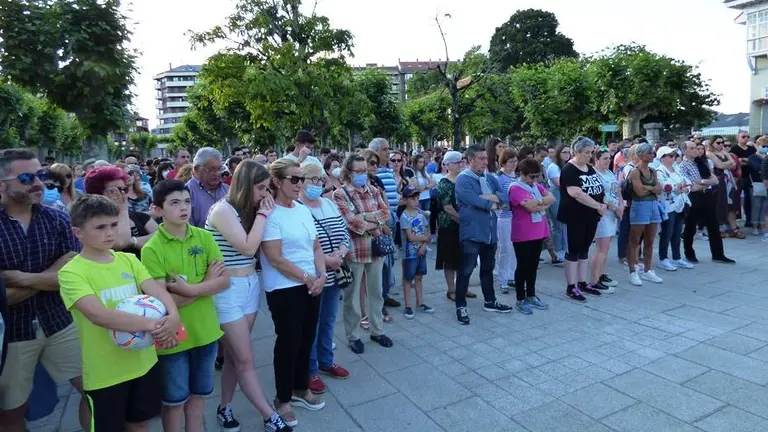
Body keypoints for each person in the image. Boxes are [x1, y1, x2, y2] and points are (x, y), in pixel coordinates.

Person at [57, 195, 181, 431]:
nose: (110, 232)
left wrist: (173, 316)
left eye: (114, 225)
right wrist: (155, 326)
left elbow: (157, 291)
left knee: (140, 424)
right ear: (78, 232)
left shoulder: (128, 260)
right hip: (106, 373)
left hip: (143, 363)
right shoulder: (71, 272)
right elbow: (99, 315)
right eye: (100, 227)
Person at [0, 149, 87, 432]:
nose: (38, 183)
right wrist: (51, 274)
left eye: (41, 175)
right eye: (26, 177)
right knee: (11, 413)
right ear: (2, 184)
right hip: (12, 334)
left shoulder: (57, 219)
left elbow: (72, 276)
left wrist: (20, 279)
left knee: (96, 389)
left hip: (60, 322)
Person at [139, 180, 233, 432]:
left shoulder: (204, 236)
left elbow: (224, 281)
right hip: (173, 338)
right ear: (157, 209)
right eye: (174, 203)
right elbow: (163, 304)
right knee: (173, 402)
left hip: (206, 332)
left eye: (187, 201)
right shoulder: (152, 249)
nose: (184, 207)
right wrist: (207, 283)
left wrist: (188, 289)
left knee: (199, 396)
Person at [204, 160, 288, 431]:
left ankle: (224, 407)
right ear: (245, 184)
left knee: (233, 356)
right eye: (261, 188)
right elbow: (249, 247)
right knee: (245, 359)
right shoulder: (222, 210)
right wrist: (263, 216)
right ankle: (269, 415)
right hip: (227, 291)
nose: (265, 194)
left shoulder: (249, 210)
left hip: (250, 285)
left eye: (267, 188)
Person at [261, 159, 327, 427]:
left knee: (306, 338)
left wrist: (321, 276)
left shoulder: (301, 209)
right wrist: (307, 277)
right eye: (295, 179)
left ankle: (301, 387)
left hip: (311, 284)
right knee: (288, 342)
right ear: (277, 182)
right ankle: (283, 398)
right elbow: (275, 258)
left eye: (302, 179)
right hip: (284, 287)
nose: (301, 184)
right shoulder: (269, 214)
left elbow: (316, 246)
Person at [296, 163, 351, 396]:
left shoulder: (328, 203)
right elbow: (299, 245)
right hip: (314, 276)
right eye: (312, 180)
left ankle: (326, 360)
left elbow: (344, 232)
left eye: (320, 180)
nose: (317, 184)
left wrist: (340, 252)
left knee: (328, 321)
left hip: (334, 274)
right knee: (312, 325)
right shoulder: (297, 208)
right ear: (300, 181)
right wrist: (326, 261)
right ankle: (310, 370)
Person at [333, 154, 393, 353]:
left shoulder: (374, 190)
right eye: (357, 171)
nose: (361, 175)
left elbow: (386, 214)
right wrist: (374, 221)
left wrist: (366, 219)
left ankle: (377, 330)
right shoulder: (340, 194)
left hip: (375, 249)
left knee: (376, 292)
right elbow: (349, 221)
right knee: (352, 296)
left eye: (364, 171)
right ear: (348, 173)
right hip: (355, 251)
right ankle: (353, 335)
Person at [454, 144, 512, 325]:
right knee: (466, 270)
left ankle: (490, 301)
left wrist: (491, 199)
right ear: (470, 160)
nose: (486, 162)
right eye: (481, 159)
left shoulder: (489, 177)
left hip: (489, 232)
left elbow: (504, 196)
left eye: (486, 158)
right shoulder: (463, 179)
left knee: (487, 269)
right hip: (472, 232)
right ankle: (460, 305)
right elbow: (474, 200)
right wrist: (492, 200)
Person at [557, 137, 606, 302]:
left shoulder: (589, 168)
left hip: (591, 217)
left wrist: (603, 203)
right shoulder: (569, 169)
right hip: (574, 217)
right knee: (573, 251)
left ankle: (582, 282)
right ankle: (571, 286)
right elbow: (576, 193)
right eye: (586, 152)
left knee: (584, 250)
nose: (590, 155)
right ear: (576, 152)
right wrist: (597, 206)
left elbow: (599, 187)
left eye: (591, 152)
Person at [508, 158, 553, 314]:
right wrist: (541, 203)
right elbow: (529, 207)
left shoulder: (535, 186)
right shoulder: (515, 188)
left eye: (537, 177)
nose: (535, 180)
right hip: (523, 233)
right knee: (523, 266)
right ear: (522, 174)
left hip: (538, 231)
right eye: (532, 177)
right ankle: (520, 298)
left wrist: (538, 202)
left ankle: (531, 295)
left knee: (533, 265)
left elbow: (551, 199)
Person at [680, 141, 735, 264]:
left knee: (713, 226)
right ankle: (689, 253)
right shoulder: (683, 166)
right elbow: (692, 186)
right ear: (685, 151)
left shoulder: (701, 163)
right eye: (692, 148)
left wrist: (702, 182)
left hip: (708, 196)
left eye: (697, 148)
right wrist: (705, 183)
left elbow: (715, 180)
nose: (696, 150)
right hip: (694, 198)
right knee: (690, 226)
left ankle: (718, 254)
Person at [85, 166, 158, 258]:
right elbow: (120, 243)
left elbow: (161, 238)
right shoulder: (92, 221)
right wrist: (122, 209)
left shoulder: (138, 216)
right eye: (115, 191)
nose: (122, 194)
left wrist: (133, 241)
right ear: (98, 194)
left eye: (125, 189)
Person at [625, 143, 665, 286]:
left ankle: (648, 270)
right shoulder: (635, 171)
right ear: (641, 155)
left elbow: (659, 190)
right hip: (640, 206)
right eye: (650, 153)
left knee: (650, 240)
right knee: (634, 240)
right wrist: (652, 188)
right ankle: (632, 270)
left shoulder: (653, 171)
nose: (653, 155)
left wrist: (647, 187)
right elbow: (639, 193)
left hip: (653, 205)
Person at [368, 138, 401, 310]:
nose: (389, 153)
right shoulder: (372, 175)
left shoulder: (387, 171)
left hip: (391, 218)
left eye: (389, 149)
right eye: (385, 149)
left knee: (389, 259)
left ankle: (385, 293)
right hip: (379, 225)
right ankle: (377, 299)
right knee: (380, 262)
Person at [436, 151, 473, 301]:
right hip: (449, 227)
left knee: (464, 258)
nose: (461, 164)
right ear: (448, 165)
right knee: (450, 259)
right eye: (458, 162)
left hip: (463, 225)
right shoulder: (444, 183)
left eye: (462, 161)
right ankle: (451, 290)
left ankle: (462, 287)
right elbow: (448, 208)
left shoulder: (463, 180)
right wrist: (464, 222)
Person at [656, 146, 694, 271]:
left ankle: (677, 258)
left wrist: (682, 187)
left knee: (677, 232)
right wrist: (678, 187)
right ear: (662, 158)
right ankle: (663, 259)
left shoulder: (677, 169)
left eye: (674, 156)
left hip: (681, 204)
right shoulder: (659, 171)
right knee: (667, 232)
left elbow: (688, 183)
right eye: (670, 156)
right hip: (668, 206)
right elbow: (666, 187)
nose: (674, 158)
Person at [399, 186, 434, 319]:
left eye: (417, 198)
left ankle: (420, 303)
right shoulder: (404, 217)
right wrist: (426, 239)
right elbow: (410, 237)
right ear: (405, 200)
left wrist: (424, 245)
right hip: (409, 254)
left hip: (421, 251)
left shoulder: (420, 214)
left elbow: (427, 230)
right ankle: (408, 305)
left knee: (419, 277)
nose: (416, 201)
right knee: (408, 279)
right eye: (412, 198)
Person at [590, 148, 622, 292]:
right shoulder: (594, 174)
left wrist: (621, 206)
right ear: (596, 159)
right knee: (601, 248)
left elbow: (617, 190)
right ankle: (594, 279)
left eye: (609, 158)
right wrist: (615, 208)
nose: (608, 161)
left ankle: (601, 274)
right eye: (604, 158)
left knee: (606, 247)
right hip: (604, 213)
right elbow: (601, 194)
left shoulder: (609, 173)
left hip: (613, 213)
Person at [188, 148, 229, 228]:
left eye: (219, 169)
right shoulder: (187, 193)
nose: (217, 173)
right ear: (196, 169)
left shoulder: (227, 190)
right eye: (211, 170)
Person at [546, 143, 571, 263]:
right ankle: (558, 251)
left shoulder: (568, 166)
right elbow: (559, 184)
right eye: (564, 152)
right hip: (556, 195)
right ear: (558, 153)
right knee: (557, 225)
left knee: (565, 225)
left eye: (568, 152)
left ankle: (565, 249)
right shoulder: (553, 167)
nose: (567, 154)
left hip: (566, 196)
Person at [731, 131, 755, 227]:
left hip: (751, 176)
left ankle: (749, 219)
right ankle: (734, 221)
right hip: (739, 176)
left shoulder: (751, 148)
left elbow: (755, 160)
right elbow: (735, 162)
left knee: (749, 199)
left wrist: (743, 160)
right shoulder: (734, 148)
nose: (745, 138)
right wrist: (745, 160)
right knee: (737, 199)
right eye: (743, 136)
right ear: (738, 138)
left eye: (747, 136)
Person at [748, 136, 768, 239]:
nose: (765, 148)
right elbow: (757, 168)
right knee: (756, 206)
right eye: (763, 146)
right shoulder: (752, 157)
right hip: (756, 184)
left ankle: (762, 225)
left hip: (766, 185)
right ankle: (755, 226)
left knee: (765, 207)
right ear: (757, 145)